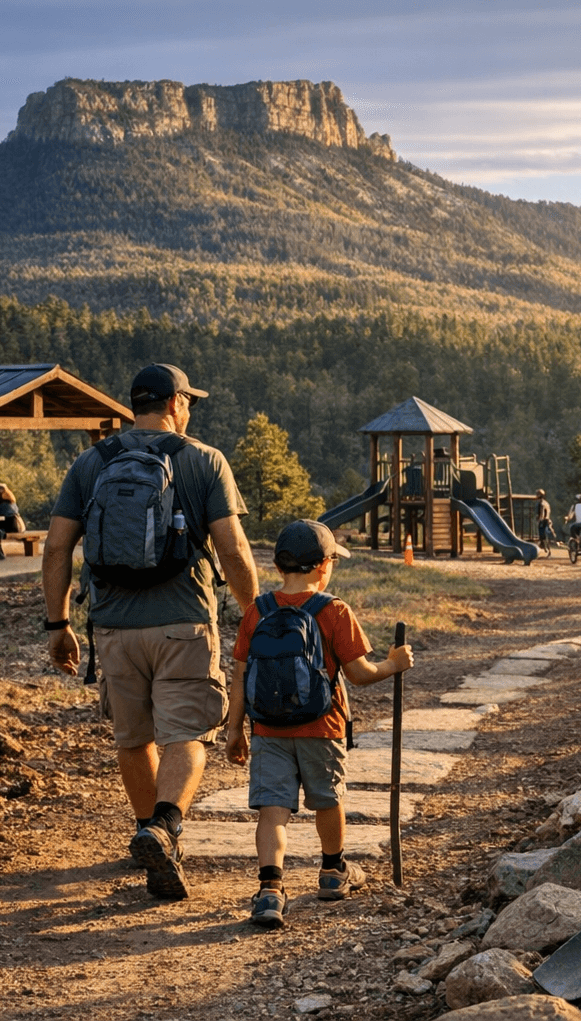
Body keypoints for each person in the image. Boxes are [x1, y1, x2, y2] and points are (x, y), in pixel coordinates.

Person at [43, 363, 257, 902]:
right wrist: (257, 614)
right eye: (190, 402)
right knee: (186, 736)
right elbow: (232, 549)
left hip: (113, 628)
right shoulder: (204, 460)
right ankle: (163, 827)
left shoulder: (91, 463)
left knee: (133, 738)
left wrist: (58, 623)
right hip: (183, 623)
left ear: (135, 405)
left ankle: (147, 831)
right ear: (176, 403)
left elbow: (55, 548)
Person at [224, 519, 415, 929]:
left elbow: (240, 674)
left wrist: (233, 729)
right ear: (323, 565)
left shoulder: (257, 610)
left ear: (279, 567)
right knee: (327, 800)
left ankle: (270, 891)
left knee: (272, 811)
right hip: (322, 727)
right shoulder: (333, 610)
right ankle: (333, 871)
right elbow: (360, 673)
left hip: (268, 730)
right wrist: (394, 664)